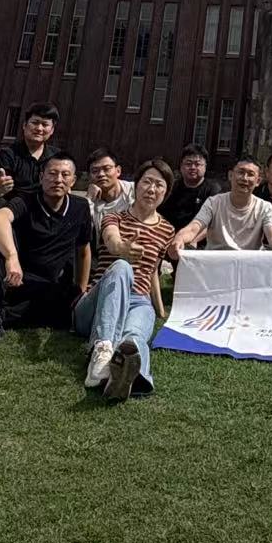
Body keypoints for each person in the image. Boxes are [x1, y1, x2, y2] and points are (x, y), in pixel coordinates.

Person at [0, 154, 93, 350]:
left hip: (50, 285)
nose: (58, 180)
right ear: (41, 177)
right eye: (52, 174)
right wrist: (11, 257)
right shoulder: (26, 200)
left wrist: (81, 292)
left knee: (55, 316)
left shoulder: (80, 207)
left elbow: (83, 251)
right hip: (16, 279)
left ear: (73, 181)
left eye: (65, 175)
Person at [76, 158, 177, 400]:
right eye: (147, 182)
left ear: (166, 193)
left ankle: (131, 377)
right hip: (100, 299)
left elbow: (152, 271)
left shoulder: (167, 230)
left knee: (134, 337)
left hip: (139, 300)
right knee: (122, 267)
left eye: (159, 185)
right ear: (136, 185)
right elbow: (112, 240)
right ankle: (102, 349)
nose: (152, 189)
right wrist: (122, 248)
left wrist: (160, 311)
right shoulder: (114, 217)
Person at [168, 157, 272, 254]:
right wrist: (180, 238)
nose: (245, 178)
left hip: (250, 265)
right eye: (241, 172)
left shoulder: (265, 207)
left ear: (258, 181)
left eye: (250, 174)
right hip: (216, 264)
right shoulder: (214, 202)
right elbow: (194, 227)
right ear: (230, 175)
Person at [0, 103, 63, 205]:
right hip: (9, 207)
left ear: (52, 130)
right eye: (35, 122)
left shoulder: (57, 157)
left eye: (45, 125)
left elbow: (64, 191)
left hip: (41, 209)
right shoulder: (7, 154)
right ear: (24, 125)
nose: (39, 128)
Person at [160, 145, 221, 230]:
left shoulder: (213, 190)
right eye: (188, 164)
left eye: (197, 164)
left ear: (205, 166)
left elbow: (214, 223)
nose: (192, 167)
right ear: (181, 166)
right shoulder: (172, 187)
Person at [85, 147, 134, 228]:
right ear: (89, 176)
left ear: (118, 171)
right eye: (95, 171)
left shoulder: (134, 191)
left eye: (106, 169)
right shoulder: (91, 201)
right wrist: (88, 199)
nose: (101, 174)